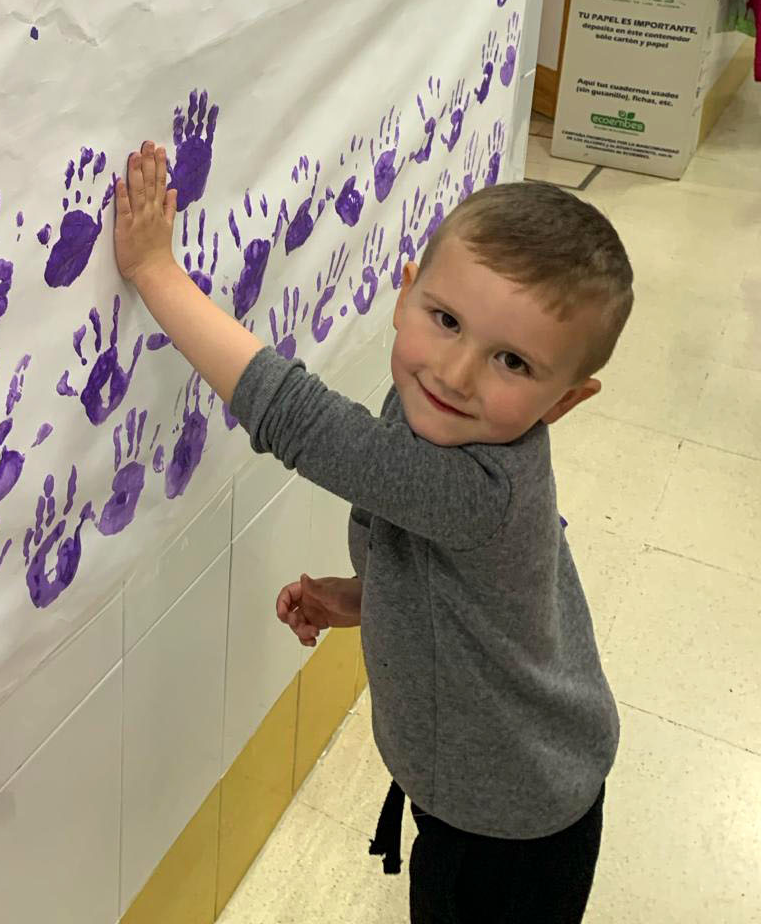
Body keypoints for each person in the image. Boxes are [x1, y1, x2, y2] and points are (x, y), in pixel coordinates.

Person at [113, 140, 633, 924]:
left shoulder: (480, 488)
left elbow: (302, 422)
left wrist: (156, 270)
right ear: (406, 293)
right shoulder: (443, 423)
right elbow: (481, 596)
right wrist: (365, 596)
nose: (456, 373)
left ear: (564, 401)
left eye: (513, 363)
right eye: (446, 320)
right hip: (488, 784)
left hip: (512, 824)